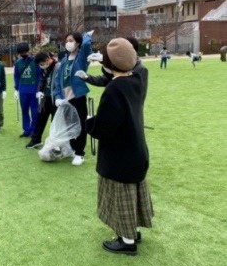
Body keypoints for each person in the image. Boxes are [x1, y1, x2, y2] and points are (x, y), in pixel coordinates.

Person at [85, 38, 153, 256]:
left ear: (109, 64)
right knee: (134, 192)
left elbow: (104, 127)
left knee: (122, 195)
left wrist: (89, 121)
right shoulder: (138, 78)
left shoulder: (115, 88)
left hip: (119, 153)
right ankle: (132, 231)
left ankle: (127, 241)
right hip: (136, 148)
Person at [53, 31, 92, 166]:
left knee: (80, 126)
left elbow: (87, 47)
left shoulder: (81, 58)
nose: (68, 43)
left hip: (77, 97)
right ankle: (73, 148)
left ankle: (79, 153)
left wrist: (86, 37)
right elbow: (58, 80)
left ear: (77, 43)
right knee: (69, 126)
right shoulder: (64, 60)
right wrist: (57, 96)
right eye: (67, 40)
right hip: (65, 99)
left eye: (71, 40)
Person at [75, 37, 149, 103]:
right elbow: (105, 80)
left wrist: (106, 62)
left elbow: (135, 94)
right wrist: (87, 77)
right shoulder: (119, 67)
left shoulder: (141, 70)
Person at [26, 51, 61, 149]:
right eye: (40, 65)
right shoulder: (44, 68)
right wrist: (39, 91)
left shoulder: (58, 67)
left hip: (55, 98)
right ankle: (35, 140)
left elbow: (60, 84)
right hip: (45, 98)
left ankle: (56, 144)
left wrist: (60, 97)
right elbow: (42, 80)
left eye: (42, 64)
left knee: (55, 121)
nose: (41, 66)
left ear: (47, 59)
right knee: (40, 119)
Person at [13, 42, 41, 138]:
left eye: (24, 51)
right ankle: (26, 130)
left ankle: (33, 130)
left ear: (28, 51)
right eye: (21, 52)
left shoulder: (35, 61)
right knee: (24, 110)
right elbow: (16, 77)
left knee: (34, 111)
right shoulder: (18, 63)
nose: (23, 54)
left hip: (33, 90)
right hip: (23, 90)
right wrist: (16, 89)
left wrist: (39, 89)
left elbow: (39, 75)